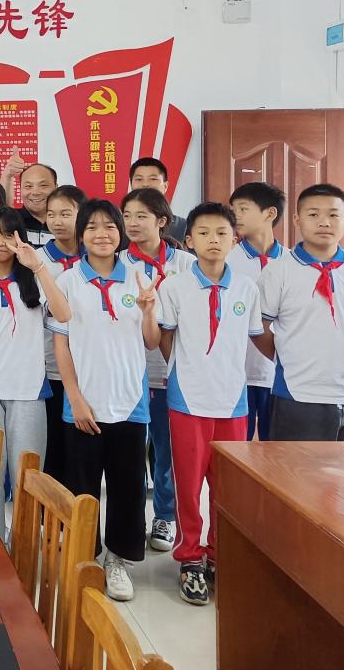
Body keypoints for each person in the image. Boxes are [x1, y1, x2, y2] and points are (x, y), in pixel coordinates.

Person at [50, 199, 161, 602]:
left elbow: (151, 341)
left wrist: (148, 311)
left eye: (110, 226)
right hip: (83, 403)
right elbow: (61, 346)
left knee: (128, 486)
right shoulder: (66, 281)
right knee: (82, 487)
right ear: (81, 235)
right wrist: (75, 398)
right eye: (92, 226)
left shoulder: (140, 276)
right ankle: (85, 554)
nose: (102, 234)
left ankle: (118, 560)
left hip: (130, 401)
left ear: (120, 233)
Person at [157, 202, 262, 605]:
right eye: (203, 233)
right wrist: (184, 371)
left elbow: (249, 340)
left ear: (234, 239)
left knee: (226, 485)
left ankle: (219, 553)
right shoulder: (174, 286)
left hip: (233, 401)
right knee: (188, 484)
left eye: (221, 233)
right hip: (188, 400)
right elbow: (166, 337)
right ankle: (189, 556)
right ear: (189, 240)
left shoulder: (247, 289)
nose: (213, 240)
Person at [0, 208, 71, 532]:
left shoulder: (36, 278)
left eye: (8, 235)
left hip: (28, 392)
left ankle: (23, 547)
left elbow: (63, 314)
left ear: (21, 238)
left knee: (28, 477)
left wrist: (38, 267)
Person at [256, 183, 344, 441]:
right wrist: (287, 353)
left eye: (333, 214)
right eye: (313, 214)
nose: (324, 222)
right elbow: (258, 328)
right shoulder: (278, 270)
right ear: (297, 220)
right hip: (298, 394)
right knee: (295, 467)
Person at [121, 187, 192, 555]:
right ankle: (131, 518)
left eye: (141, 216)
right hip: (128, 373)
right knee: (130, 454)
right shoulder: (117, 262)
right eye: (127, 216)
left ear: (162, 221)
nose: (132, 223)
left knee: (166, 452)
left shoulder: (186, 264)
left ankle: (164, 516)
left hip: (171, 373)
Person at [227, 181, 287, 441]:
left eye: (243, 209)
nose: (235, 216)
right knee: (238, 448)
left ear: (270, 213)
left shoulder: (291, 262)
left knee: (277, 448)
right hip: (237, 372)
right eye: (233, 210)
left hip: (279, 375)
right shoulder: (226, 261)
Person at [38, 184, 85, 482]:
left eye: (66, 214)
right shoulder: (36, 259)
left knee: (82, 452)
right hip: (49, 367)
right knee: (53, 449)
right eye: (51, 214)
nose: (57, 221)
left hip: (89, 368)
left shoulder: (99, 256)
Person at [0, 151, 56, 248]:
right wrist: (7, 176)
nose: (36, 192)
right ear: (20, 189)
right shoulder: (13, 220)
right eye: (28, 186)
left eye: (43, 185)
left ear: (56, 187)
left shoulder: (65, 223)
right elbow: (2, 210)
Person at [130, 158, 187, 243]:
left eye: (153, 179)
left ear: (165, 186)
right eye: (139, 179)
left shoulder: (184, 226)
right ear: (131, 185)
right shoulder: (119, 225)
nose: (145, 184)